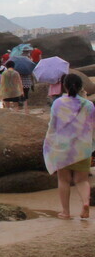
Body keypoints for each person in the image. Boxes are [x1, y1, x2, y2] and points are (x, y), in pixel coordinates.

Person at [43, 73, 95, 219]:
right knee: (82, 180)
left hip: (62, 147)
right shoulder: (88, 104)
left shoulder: (58, 103)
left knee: (63, 180)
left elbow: (52, 125)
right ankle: (85, 202)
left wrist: (49, 142)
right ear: (81, 87)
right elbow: (93, 126)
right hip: (82, 148)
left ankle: (66, 212)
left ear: (64, 86)